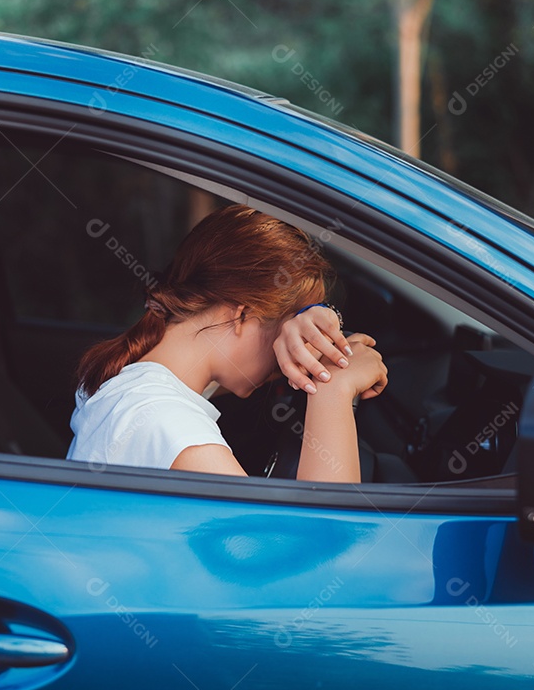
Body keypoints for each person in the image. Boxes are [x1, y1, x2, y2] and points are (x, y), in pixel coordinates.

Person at [67, 204, 387, 482]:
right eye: (283, 336)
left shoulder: (139, 383)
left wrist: (325, 319)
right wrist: (333, 385)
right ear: (241, 316)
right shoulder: (166, 423)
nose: (288, 358)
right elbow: (317, 542)